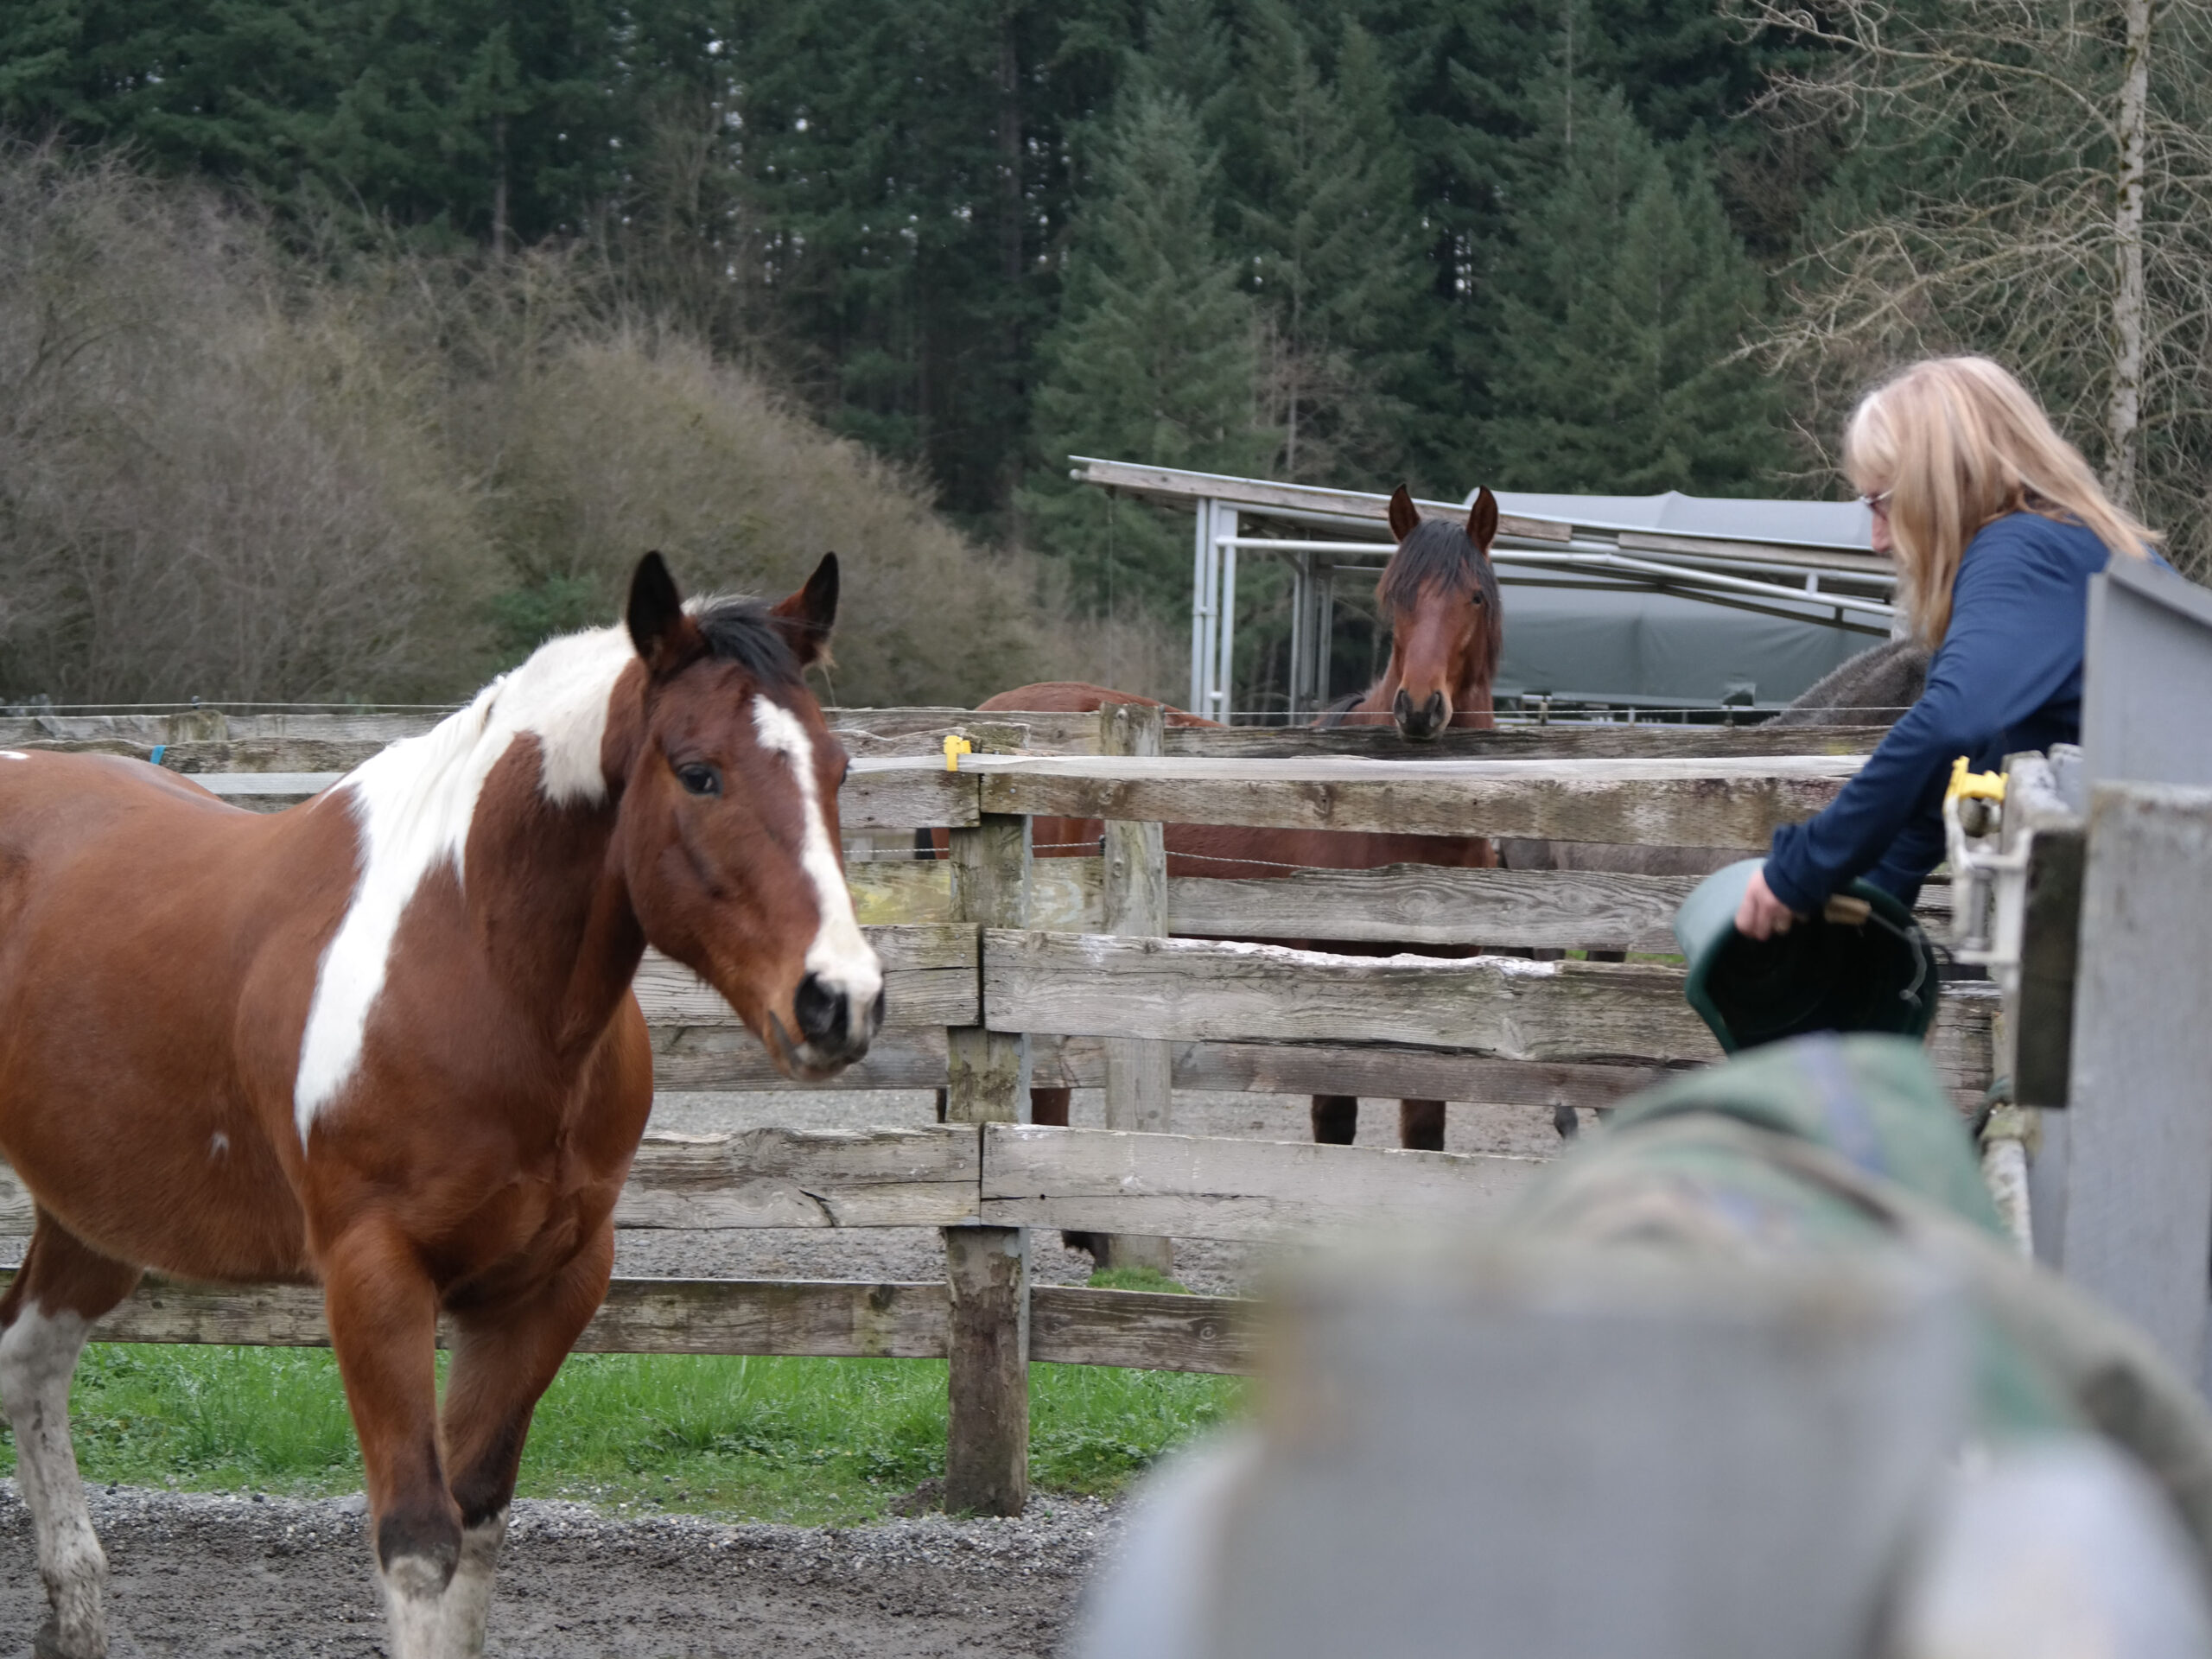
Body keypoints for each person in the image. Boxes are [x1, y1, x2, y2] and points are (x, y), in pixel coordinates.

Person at [1737, 356, 2158, 939]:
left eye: (1881, 503)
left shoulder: (2022, 552)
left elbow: (1950, 724)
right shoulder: (2069, 547)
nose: (1877, 539)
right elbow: (1967, 767)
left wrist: (1801, 866)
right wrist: (1863, 914)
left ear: (1938, 485)